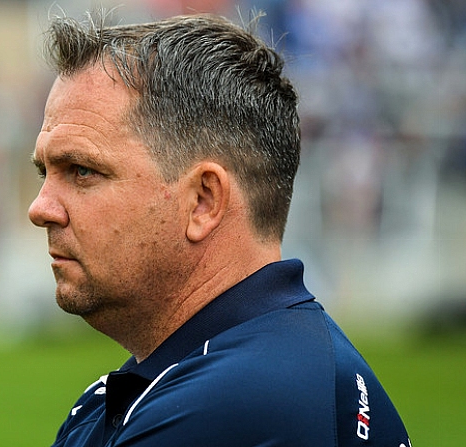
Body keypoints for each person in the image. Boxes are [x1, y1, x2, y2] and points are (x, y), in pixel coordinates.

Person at [27, 11, 411, 447]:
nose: (40, 208)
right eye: (45, 172)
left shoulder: (234, 404)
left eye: (81, 171)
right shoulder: (243, 367)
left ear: (203, 202)